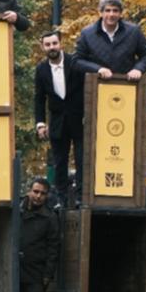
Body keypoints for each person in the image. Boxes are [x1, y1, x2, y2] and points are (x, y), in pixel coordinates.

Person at [34, 31, 88, 205]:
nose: (52, 47)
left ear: (61, 44)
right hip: (57, 123)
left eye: (54, 43)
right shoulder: (41, 69)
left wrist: (89, 115)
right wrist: (40, 124)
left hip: (80, 120)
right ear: (43, 47)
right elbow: (39, 98)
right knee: (59, 163)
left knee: (82, 160)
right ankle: (61, 200)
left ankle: (81, 198)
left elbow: (88, 89)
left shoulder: (75, 63)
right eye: (48, 44)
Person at [19, 177, 59, 292]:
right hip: (14, 269)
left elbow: (53, 247)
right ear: (29, 191)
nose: (38, 196)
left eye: (42, 193)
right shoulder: (16, 210)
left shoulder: (49, 218)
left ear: (47, 196)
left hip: (36, 272)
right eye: (35, 192)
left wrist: (47, 275)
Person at [74, 0, 146, 81]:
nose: (111, 14)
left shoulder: (133, 31)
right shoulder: (87, 33)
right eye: (107, 10)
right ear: (101, 13)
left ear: (120, 13)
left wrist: (138, 69)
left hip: (127, 84)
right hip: (97, 85)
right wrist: (98, 69)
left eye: (115, 11)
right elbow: (77, 60)